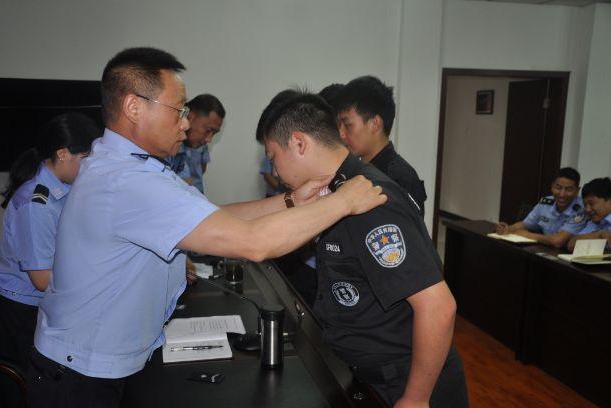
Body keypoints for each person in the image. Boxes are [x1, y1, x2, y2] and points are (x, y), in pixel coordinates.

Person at [26, 47, 386, 408]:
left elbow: (211, 214)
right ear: (134, 107)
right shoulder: (127, 181)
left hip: (96, 363)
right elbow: (254, 243)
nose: (185, 123)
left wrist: (291, 200)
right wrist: (344, 201)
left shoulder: (131, 166)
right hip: (80, 376)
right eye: (178, 110)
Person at [257, 91, 468, 408]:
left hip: (406, 382)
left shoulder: (369, 199)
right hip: (366, 375)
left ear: (299, 143)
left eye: (273, 157)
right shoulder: (334, 193)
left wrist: (415, 398)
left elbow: (438, 306)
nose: (274, 172)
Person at [0, 112, 99, 408]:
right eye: (85, 158)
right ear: (63, 154)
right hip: (20, 315)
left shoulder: (67, 190)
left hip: (42, 308)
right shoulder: (37, 204)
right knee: (24, 398)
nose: (90, 166)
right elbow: (41, 279)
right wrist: (97, 282)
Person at [337, 75, 427, 216]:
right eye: (340, 125)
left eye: (347, 125)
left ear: (375, 124)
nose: (341, 134)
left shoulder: (401, 178)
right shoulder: (353, 169)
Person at [496, 167, 588, 248]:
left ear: (577, 190)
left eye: (568, 189)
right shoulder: (546, 203)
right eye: (558, 188)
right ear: (552, 187)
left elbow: (557, 241)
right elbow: (525, 224)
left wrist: (527, 235)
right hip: (545, 251)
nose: (562, 194)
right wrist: (507, 229)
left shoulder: (581, 210)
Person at [169, 94, 224, 193]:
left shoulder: (200, 145)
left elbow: (202, 169)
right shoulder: (167, 145)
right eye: (208, 130)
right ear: (190, 117)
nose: (209, 139)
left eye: (214, 133)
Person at [567, 177, 611, 251]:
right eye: (585, 205)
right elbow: (571, 245)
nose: (587, 209)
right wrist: (598, 235)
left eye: (591, 204)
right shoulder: (594, 222)